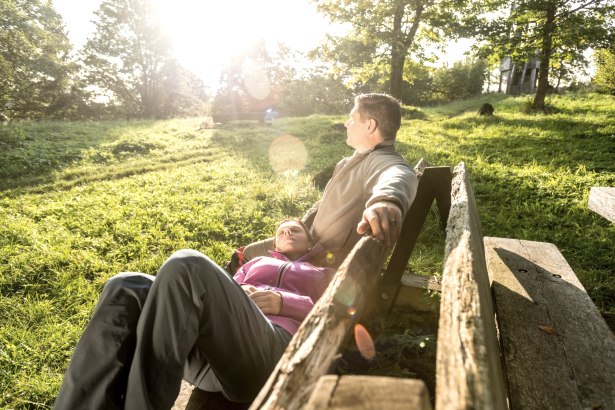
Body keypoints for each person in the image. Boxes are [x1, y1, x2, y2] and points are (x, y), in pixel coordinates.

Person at [55, 219, 334, 409]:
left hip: (269, 352)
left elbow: (337, 310)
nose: (287, 233)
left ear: (309, 243)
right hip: (211, 356)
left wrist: (284, 302)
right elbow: (218, 295)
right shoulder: (257, 262)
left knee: (188, 264)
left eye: (295, 230)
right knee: (126, 285)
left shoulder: (322, 273)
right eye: (281, 231)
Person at [244, 93, 418, 267]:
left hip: (320, 261)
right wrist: (301, 226)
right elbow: (324, 203)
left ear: (370, 126)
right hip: (308, 241)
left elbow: (399, 172)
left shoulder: (380, 159)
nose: (346, 123)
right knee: (246, 253)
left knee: (243, 263)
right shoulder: (346, 163)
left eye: (352, 119)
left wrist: (387, 200)